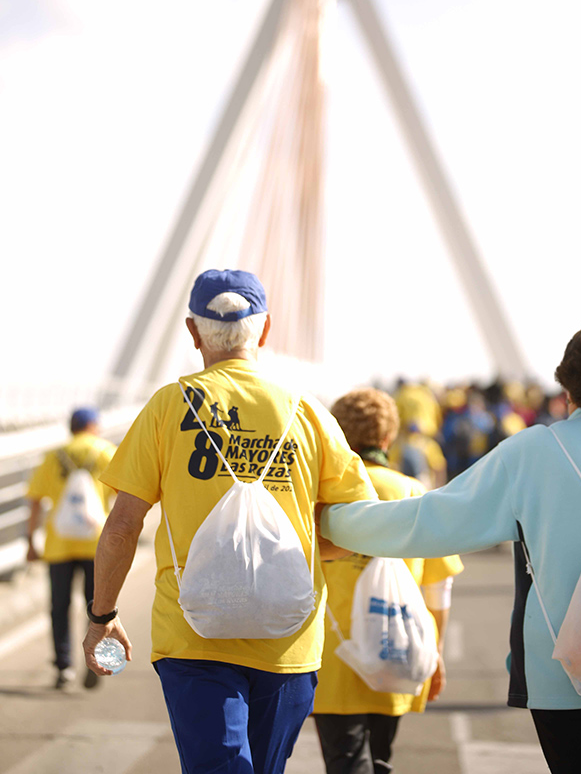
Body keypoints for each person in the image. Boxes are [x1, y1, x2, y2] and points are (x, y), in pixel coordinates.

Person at [83, 268, 378, 774]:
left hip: (194, 633)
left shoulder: (168, 406)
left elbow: (122, 527)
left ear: (193, 331)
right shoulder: (307, 412)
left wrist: (101, 616)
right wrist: (286, 555)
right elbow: (358, 530)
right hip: (289, 637)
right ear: (263, 331)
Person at [321, 319, 581, 774]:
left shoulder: (537, 451)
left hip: (563, 671)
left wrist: (328, 520)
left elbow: (429, 521)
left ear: (568, 384)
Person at [314, 387, 463, 774]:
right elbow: (438, 586)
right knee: (379, 757)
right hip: (396, 647)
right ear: (387, 438)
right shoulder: (413, 493)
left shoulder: (322, 494)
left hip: (332, 656)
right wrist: (437, 649)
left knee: (345, 760)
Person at [26, 407, 115, 689]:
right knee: (98, 607)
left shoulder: (54, 455)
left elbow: (35, 501)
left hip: (58, 543)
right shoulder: (105, 452)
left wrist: (30, 540)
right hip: (96, 544)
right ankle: (96, 660)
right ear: (93, 425)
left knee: (59, 607)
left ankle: (63, 667)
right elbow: (126, 497)